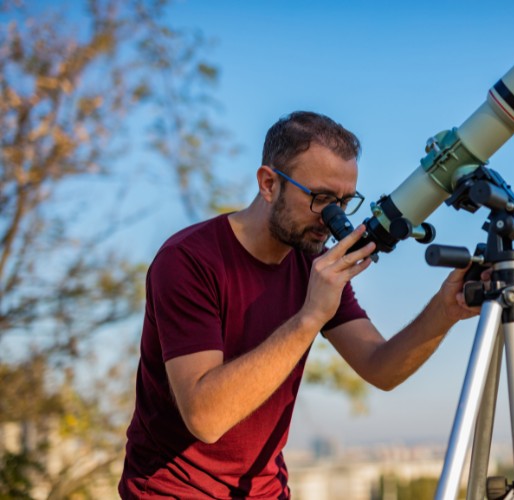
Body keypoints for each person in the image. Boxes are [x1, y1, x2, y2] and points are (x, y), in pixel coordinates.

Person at [119, 111, 479, 499]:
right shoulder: (188, 260)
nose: (332, 218)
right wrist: (310, 317)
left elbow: (381, 367)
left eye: (344, 201)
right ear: (268, 183)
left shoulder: (310, 260)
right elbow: (205, 418)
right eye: (321, 198)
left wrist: (446, 310)